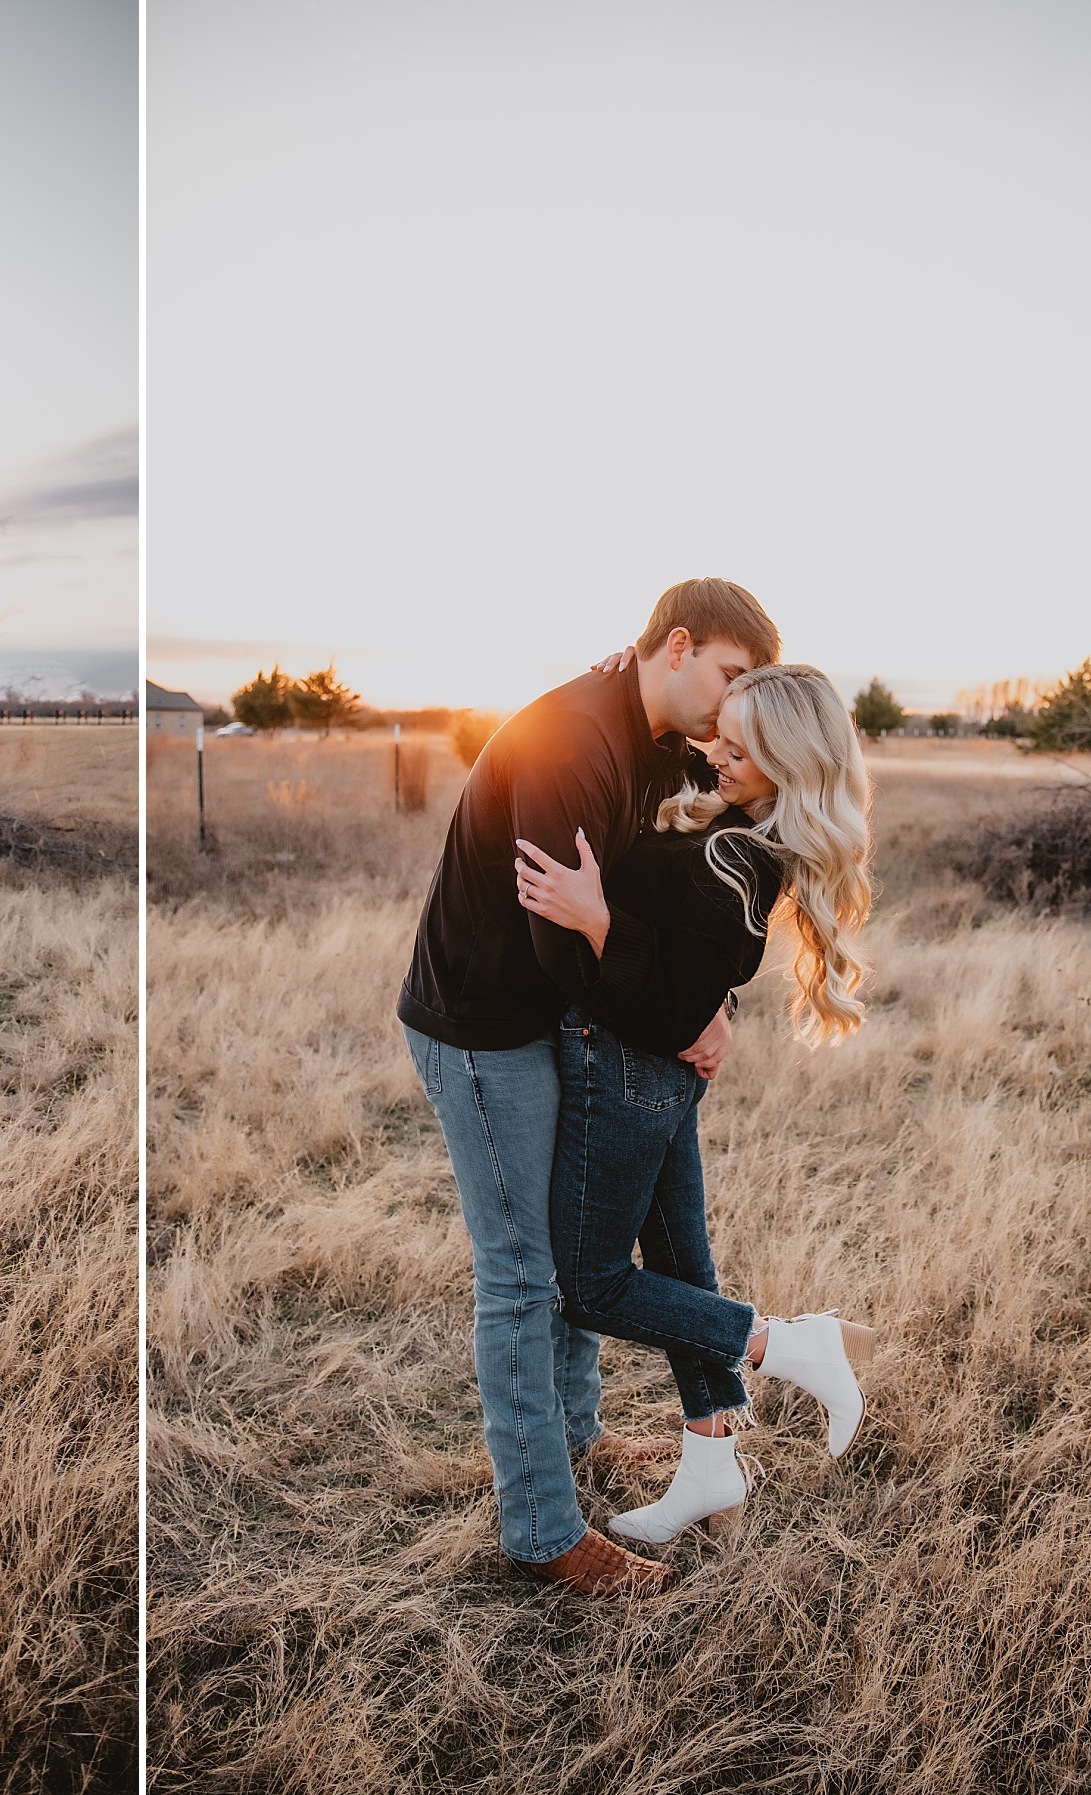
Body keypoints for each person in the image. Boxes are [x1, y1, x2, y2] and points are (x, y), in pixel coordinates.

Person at [397, 577, 781, 1597]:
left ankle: (575, 1437)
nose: (736, 705)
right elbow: (564, 952)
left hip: (553, 1021)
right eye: (733, 676)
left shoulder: (659, 733)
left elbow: (670, 888)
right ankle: (540, 1529)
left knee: (573, 1243)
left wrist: (701, 993)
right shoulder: (573, 742)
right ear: (678, 644)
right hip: (485, 1029)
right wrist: (685, 1013)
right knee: (527, 1275)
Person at [513, 663, 878, 1546]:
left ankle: (791, 1347)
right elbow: (701, 980)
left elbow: (677, 1000)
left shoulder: (734, 855)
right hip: (661, 1079)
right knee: (680, 1274)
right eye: (720, 731)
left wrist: (599, 920)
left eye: (738, 744)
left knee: (591, 1283)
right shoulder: (736, 830)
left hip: (632, 1072)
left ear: (787, 760)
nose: (715, 751)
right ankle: (712, 1468)